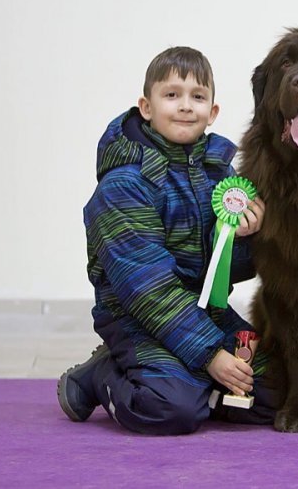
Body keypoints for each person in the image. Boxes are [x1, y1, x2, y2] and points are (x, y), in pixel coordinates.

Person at [57, 46, 274, 435]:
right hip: (137, 316)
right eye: (171, 95)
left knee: (280, 390)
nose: (186, 106)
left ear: (213, 111)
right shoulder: (124, 185)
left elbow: (223, 274)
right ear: (146, 106)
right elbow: (146, 289)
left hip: (206, 311)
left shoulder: (222, 176)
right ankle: (102, 372)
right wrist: (211, 355)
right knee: (171, 409)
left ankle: (198, 386)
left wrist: (246, 239)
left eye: (198, 96)